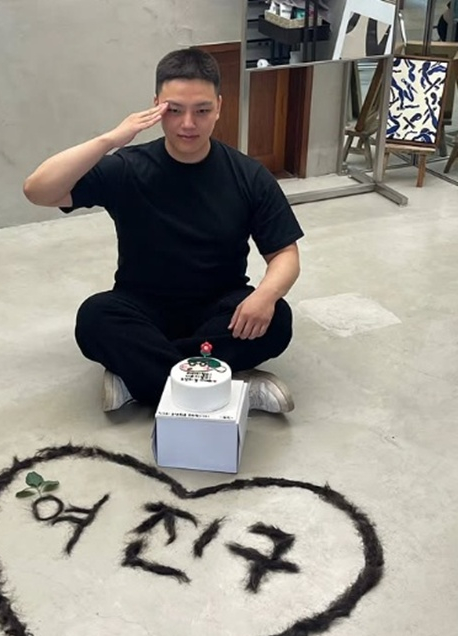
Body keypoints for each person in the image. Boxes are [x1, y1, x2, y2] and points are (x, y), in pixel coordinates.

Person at [23, 49, 303, 413]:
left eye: (202, 110)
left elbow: (285, 253)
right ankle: (232, 389)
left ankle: (139, 378)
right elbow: (38, 191)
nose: (188, 123)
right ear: (156, 106)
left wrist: (265, 295)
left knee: (277, 318)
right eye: (174, 110)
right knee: (95, 318)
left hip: (218, 308)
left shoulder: (248, 175)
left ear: (219, 107)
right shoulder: (127, 167)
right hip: (143, 307)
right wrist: (110, 140)